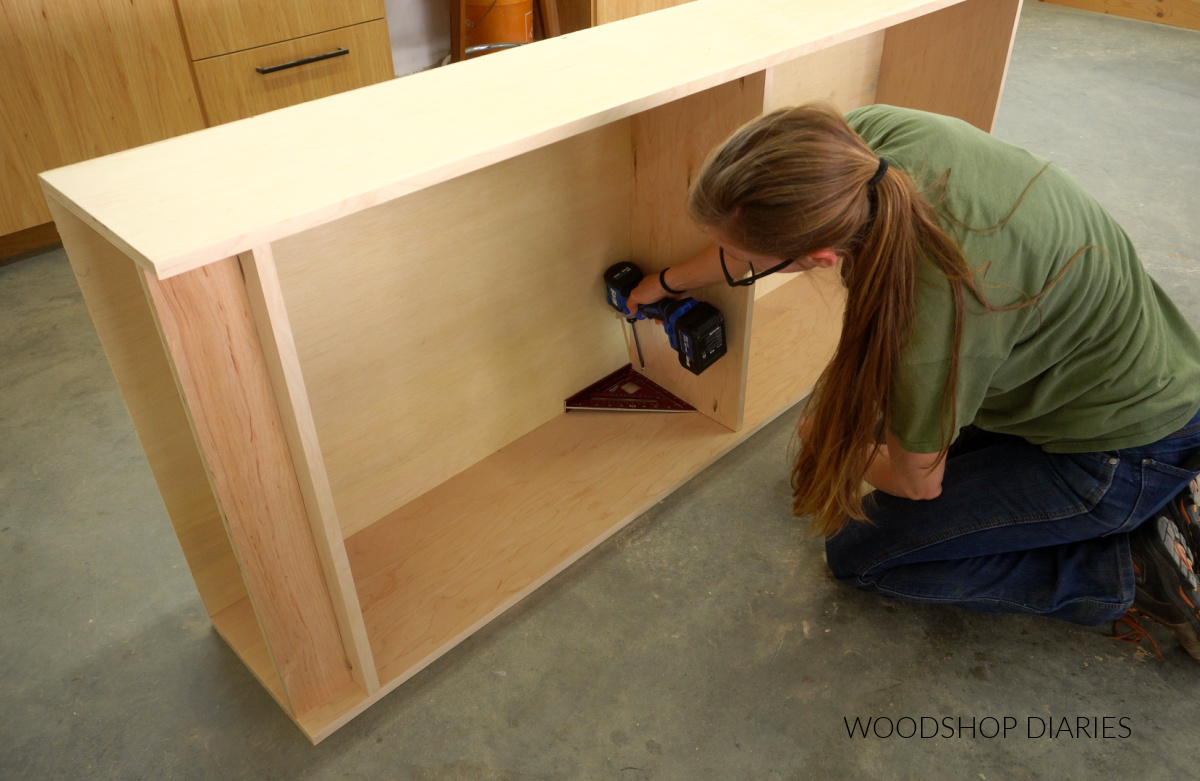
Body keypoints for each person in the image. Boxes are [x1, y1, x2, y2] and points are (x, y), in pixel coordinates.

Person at [622, 103, 1200, 660]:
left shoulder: (925, 318)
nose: (728, 256)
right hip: (1125, 366)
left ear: (821, 257)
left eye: (743, 256)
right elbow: (749, 228)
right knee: (880, 426)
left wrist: (837, 449)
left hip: (1121, 448)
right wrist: (669, 281)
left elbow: (917, 482)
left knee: (863, 557)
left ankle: (1135, 573)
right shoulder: (867, 144)